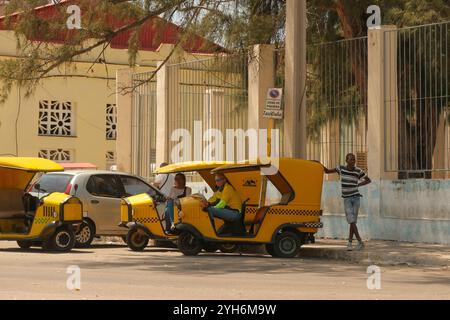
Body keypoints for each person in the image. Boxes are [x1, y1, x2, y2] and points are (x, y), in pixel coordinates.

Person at [320, 153, 372, 251]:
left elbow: (368, 180)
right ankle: (360, 242)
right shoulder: (341, 169)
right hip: (347, 199)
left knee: (353, 222)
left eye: (354, 160)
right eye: (351, 159)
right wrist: (319, 164)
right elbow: (327, 171)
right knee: (352, 221)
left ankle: (349, 243)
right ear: (346, 161)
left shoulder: (358, 171)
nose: (353, 161)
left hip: (356, 198)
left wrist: (358, 185)